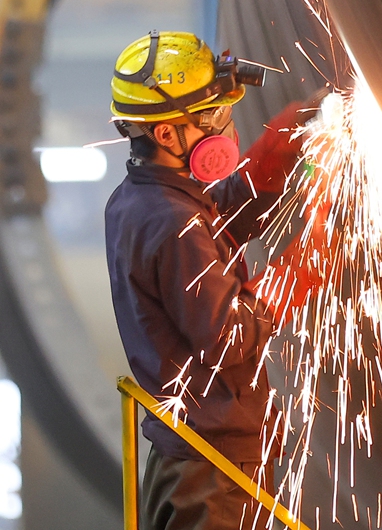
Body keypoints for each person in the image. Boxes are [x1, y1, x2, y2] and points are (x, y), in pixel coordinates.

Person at [105, 30, 314, 530]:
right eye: (211, 117)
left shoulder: (145, 199)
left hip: (193, 455)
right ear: (166, 134)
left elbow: (214, 228)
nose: (225, 125)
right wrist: (307, 265)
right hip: (211, 471)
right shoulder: (169, 220)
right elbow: (232, 336)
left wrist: (273, 157)